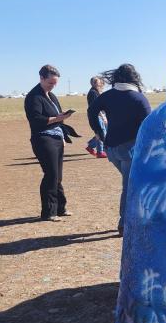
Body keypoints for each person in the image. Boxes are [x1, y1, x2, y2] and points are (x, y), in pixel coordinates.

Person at [87, 64, 151, 235]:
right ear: (134, 77)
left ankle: (133, 218)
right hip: (130, 150)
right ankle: (124, 224)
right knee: (129, 185)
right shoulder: (139, 98)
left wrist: (99, 132)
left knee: (129, 183)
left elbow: (91, 111)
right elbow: (148, 126)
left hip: (111, 149)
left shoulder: (107, 96)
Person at [24, 65, 78, 221]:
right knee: (51, 175)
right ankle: (48, 212)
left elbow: (58, 117)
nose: (53, 86)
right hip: (43, 139)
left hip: (56, 138)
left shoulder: (52, 96)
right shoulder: (33, 97)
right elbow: (36, 120)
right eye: (50, 83)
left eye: (55, 83)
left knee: (58, 176)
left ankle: (61, 208)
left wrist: (62, 135)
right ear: (41, 78)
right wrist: (58, 119)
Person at [85, 76, 107, 158]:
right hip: (96, 115)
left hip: (98, 115)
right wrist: (102, 116)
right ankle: (100, 152)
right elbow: (95, 107)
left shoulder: (96, 91)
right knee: (101, 132)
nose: (100, 83)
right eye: (98, 82)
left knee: (102, 132)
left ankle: (91, 146)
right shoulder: (93, 93)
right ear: (93, 83)